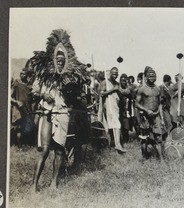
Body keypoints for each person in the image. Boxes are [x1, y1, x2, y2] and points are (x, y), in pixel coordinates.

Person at [29, 29, 90, 192]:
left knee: (59, 150)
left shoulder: (71, 77)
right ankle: (34, 186)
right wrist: (43, 94)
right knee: (44, 150)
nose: (60, 62)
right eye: (58, 59)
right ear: (53, 58)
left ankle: (54, 183)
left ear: (67, 60)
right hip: (47, 114)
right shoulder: (42, 75)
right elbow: (33, 92)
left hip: (62, 114)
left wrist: (73, 97)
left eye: (63, 60)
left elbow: (79, 94)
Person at [135, 66, 164, 159]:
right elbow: (136, 104)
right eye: (150, 76)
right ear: (146, 77)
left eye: (154, 76)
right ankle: (144, 157)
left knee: (158, 138)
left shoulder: (158, 89)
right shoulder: (142, 89)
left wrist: (159, 113)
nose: (152, 77)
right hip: (145, 117)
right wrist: (146, 110)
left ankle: (161, 158)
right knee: (144, 139)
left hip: (156, 117)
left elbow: (160, 103)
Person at [100, 67, 126, 153]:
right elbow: (101, 94)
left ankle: (113, 145)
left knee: (114, 125)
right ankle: (118, 145)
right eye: (113, 73)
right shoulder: (105, 82)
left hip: (116, 106)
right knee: (116, 125)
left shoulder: (116, 83)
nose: (115, 75)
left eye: (116, 73)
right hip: (109, 106)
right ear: (110, 73)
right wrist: (112, 90)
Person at [159, 74, 173, 139]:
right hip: (163, 108)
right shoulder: (162, 88)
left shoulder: (166, 88)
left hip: (166, 108)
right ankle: (166, 138)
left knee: (167, 123)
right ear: (168, 81)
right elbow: (161, 99)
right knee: (167, 123)